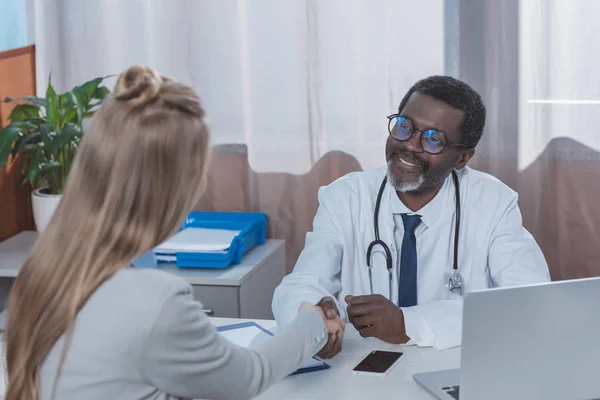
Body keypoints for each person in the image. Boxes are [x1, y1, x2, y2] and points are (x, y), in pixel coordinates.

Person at [2, 66, 343, 400]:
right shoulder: (153, 299)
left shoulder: (44, 270)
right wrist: (310, 324)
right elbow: (248, 378)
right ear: (173, 188)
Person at [272, 75, 550, 358]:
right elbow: (301, 283)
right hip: (359, 372)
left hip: (454, 368)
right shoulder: (345, 197)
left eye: (434, 139)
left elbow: (529, 301)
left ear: (463, 158)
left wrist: (409, 324)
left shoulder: (494, 204)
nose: (411, 145)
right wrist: (312, 322)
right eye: (405, 127)